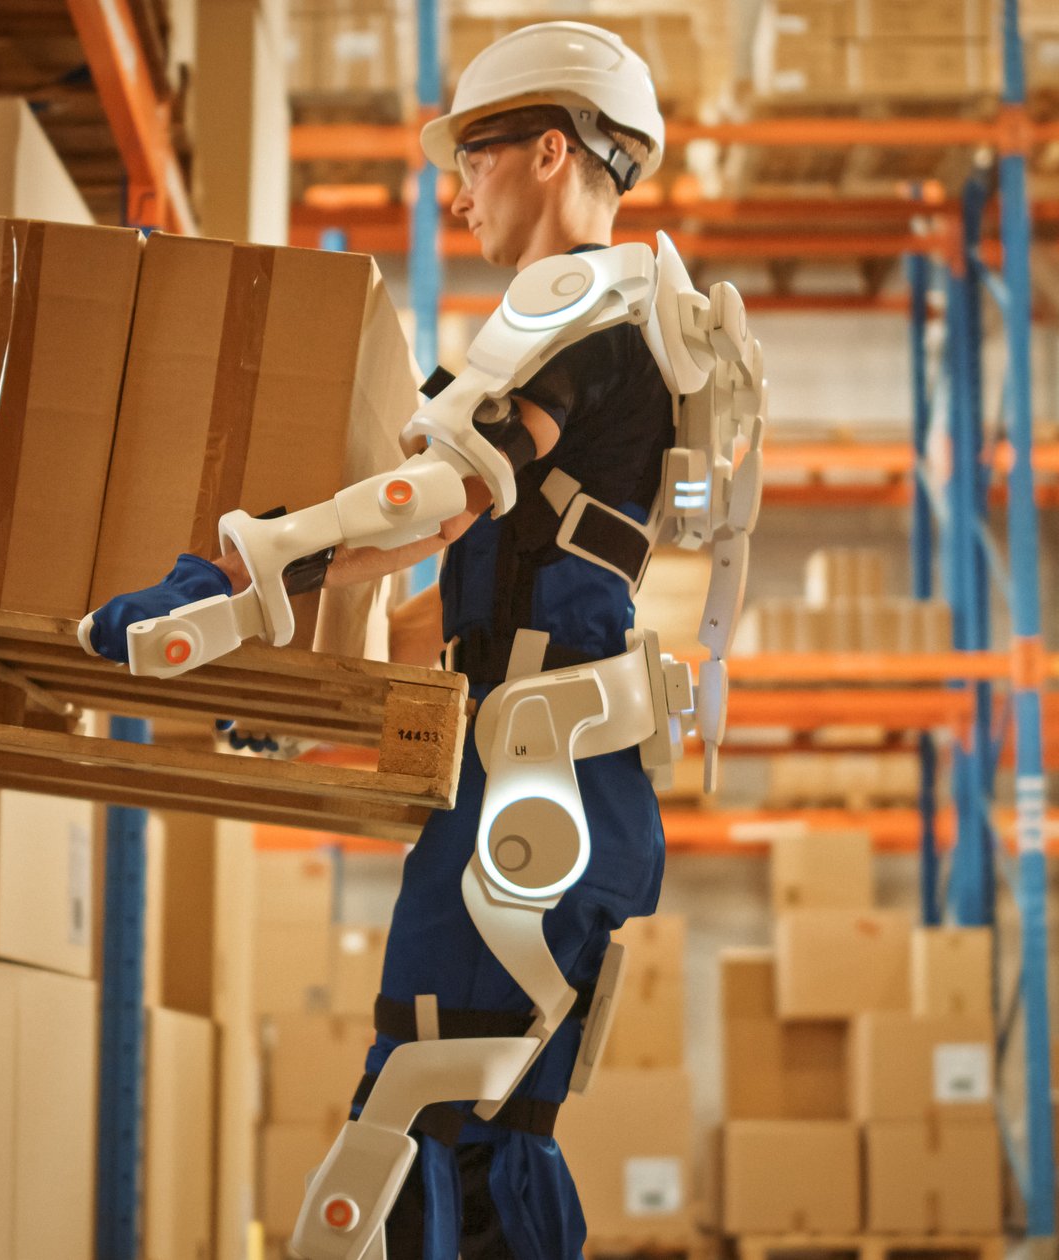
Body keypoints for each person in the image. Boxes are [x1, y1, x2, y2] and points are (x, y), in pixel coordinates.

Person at [85, 22, 679, 1256]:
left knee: (434, 1110)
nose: (455, 191)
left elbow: (436, 497)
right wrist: (310, 684)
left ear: (550, 150)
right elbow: (466, 584)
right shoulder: (611, 337)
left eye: (473, 155)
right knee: (467, 1111)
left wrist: (232, 579)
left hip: (536, 789)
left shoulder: (581, 325)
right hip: (544, 775)